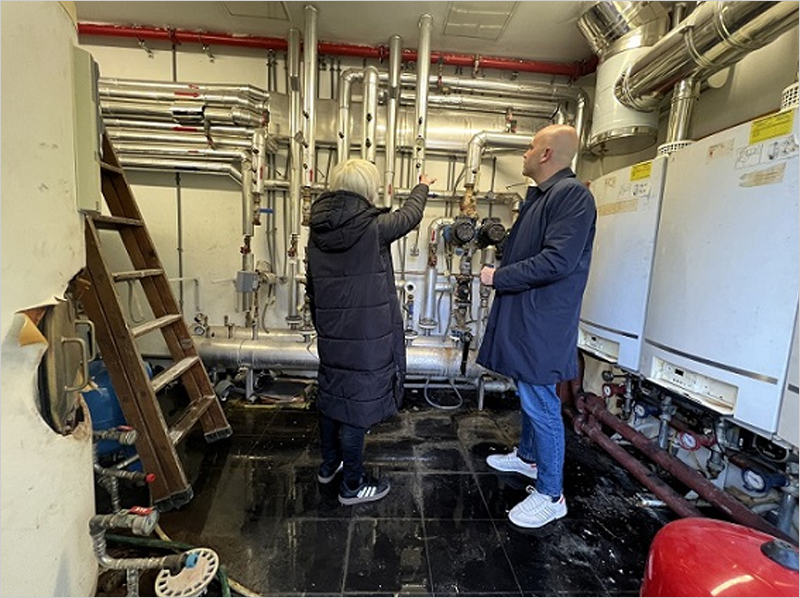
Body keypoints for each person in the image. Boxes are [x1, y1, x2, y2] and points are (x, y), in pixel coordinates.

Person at [477, 124, 596, 528]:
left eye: (530, 147)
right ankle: (529, 459)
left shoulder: (572, 196)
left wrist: (499, 277)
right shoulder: (544, 198)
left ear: (546, 154)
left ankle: (550, 494)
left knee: (542, 402)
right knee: (530, 390)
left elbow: (556, 261)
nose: (524, 154)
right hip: (530, 316)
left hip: (543, 320)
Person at [306, 158, 435, 505]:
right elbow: (411, 215)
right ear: (367, 189)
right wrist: (422, 185)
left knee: (333, 399)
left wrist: (324, 325)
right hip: (367, 338)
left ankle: (329, 465)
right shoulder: (374, 227)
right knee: (357, 410)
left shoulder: (316, 230)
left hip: (332, 333)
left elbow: (312, 287)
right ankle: (352, 485)